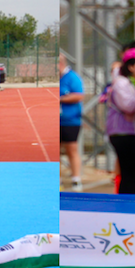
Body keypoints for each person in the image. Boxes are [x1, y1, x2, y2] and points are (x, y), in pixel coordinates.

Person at [106, 48, 135, 194]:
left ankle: (128, 199)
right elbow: (128, 106)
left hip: (130, 132)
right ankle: (125, 202)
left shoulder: (130, 83)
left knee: (133, 169)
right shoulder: (121, 83)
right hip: (121, 133)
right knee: (129, 170)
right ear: (130, 66)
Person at [59, 53, 85, 191]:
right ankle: (58, 180)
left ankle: (76, 179)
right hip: (56, 121)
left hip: (71, 120)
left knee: (71, 149)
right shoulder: (57, 78)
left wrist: (61, 99)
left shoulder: (72, 77)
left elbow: (79, 95)